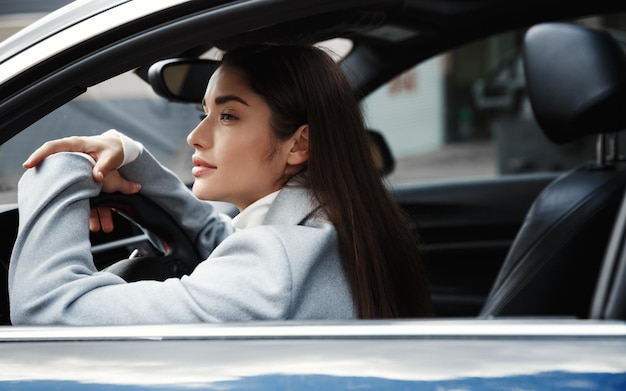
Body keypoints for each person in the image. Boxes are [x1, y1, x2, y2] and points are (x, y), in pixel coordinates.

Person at [9, 43, 433, 325]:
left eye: (228, 116)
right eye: (204, 112)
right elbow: (219, 236)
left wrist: (63, 169)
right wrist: (131, 155)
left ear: (298, 144)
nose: (196, 136)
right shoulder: (320, 223)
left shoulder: (274, 266)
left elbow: (47, 307)